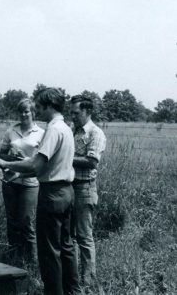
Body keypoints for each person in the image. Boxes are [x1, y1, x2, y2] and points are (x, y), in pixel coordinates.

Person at [0, 88, 79, 295]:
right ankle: (73, 291)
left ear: (50, 106)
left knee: (49, 251)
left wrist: (5, 163)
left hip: (52, 194)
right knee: (66, 248)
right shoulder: (66, 128)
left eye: (39, 107)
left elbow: (35, 166)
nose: (37, 111)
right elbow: (46, 163)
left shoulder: (53, 129)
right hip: (67, 192)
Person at [0, 98, 44, 262]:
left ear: (33, 113)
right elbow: (1, 154)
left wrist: (28, 161)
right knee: (12, 220)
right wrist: (12, 158)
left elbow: (42, 159)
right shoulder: (11, 131)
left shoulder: (41, 133)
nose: (23, 114)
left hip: (30, 183)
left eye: (27, 111)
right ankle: (14, 257)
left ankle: (32, 260)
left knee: (26, 221)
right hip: (10, 181)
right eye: (21, 111)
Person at [70, 95, 106, 287]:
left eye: (76, 113)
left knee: (84, 237)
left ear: (87, 111)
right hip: (69, 187)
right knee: (69, 236)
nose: (73, 116)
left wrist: (65, 157)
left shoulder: (95, 133)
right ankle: (73, 279)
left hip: (84, 189)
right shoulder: (72, 130)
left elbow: (92, 161)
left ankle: (88, 282)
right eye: (71, 113)